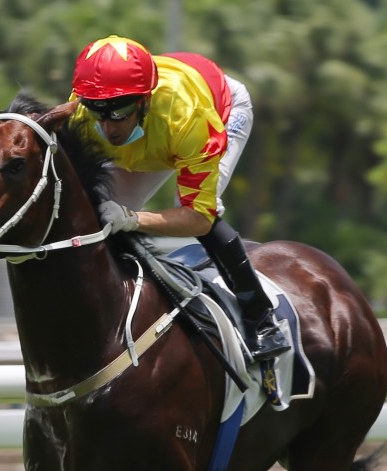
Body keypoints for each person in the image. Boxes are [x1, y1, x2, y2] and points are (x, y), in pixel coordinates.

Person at [69, 35, 288, 362]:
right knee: (94, 212)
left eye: (120, 111)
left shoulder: (188, 119)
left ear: (143, 100)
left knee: (204, 211)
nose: (108, 126)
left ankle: (260, 317)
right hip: (151, 137)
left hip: (217, 112)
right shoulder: (79, 112)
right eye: (97, 110)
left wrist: (132, 219)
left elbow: (199, 218)